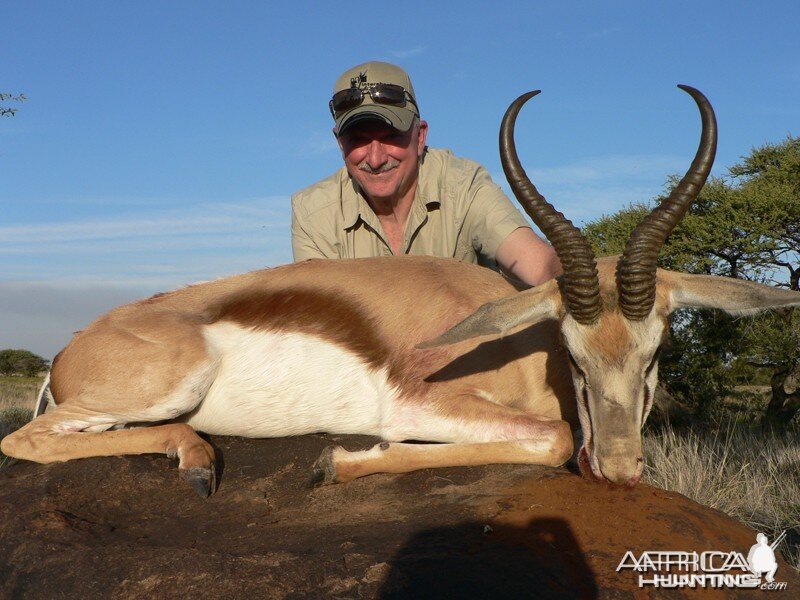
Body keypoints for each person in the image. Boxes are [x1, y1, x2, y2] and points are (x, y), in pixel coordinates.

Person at [291, 61, 561, 286]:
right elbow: (322, 322)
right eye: (358, 140)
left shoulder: (464, 185)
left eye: (391, 137)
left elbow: (540, 266)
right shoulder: (312, 212)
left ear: (419, 137)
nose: (375, 159)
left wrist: (571, 278)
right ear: (340, 143)